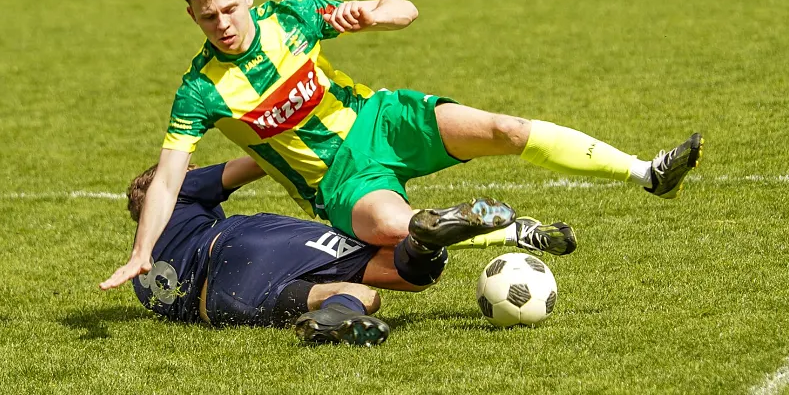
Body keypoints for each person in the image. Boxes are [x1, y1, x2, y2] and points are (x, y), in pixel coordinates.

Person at [100, 0, 700, 294]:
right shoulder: (199, 91)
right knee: (397, 226)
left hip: (380, 118)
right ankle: (506, 228)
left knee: (505, 130)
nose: (224, 23)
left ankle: (648, 172)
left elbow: (404, 8)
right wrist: (141, 249)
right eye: (209, 18)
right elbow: (171, 176)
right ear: (193, 18)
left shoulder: (295, 17)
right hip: (337, 181)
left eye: (230, 7)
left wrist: (379, 14)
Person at [121, 157, 555, 346]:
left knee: (364, 297)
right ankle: (422, 238)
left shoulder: (143, 278)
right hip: (244, 245)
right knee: (391, 263)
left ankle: (334, 318)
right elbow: (253, 163)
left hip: (224, 307)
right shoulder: (174, 189)